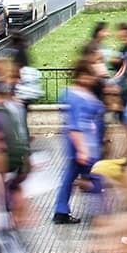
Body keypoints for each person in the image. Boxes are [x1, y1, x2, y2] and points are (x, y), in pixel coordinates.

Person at [53, 59, 106, 224]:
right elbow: (75, 126)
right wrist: (83, 150)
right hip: (84, 146)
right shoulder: (77, 97)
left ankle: (61, 210)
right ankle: (100, 213)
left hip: (83, 145)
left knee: (70, 177)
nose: (93, 80)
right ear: (82, 76)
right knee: (96, 177)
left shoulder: (79, 95)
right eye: (90, 76)